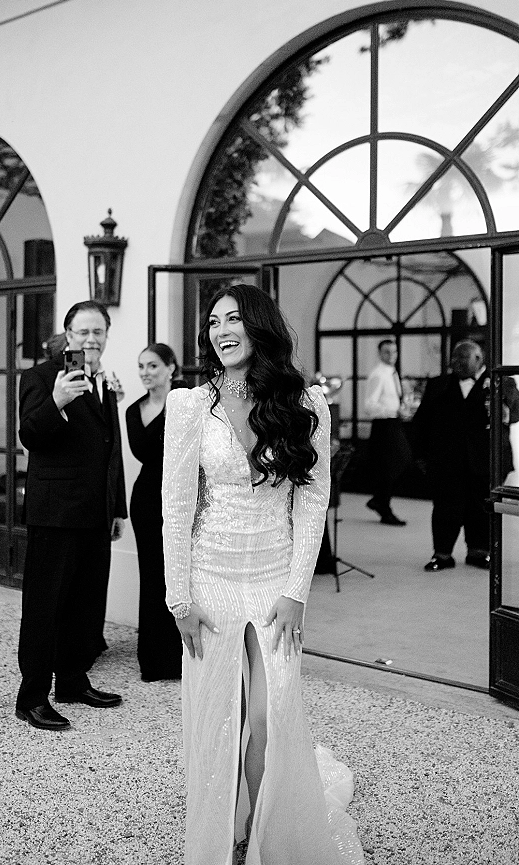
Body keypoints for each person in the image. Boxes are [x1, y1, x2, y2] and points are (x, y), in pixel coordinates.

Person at [162, 283, 364, 865]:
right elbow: (175, 506)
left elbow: (312, 497)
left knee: (269, 714)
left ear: (259, 327)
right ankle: (222, 832)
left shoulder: (305, 405)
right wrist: (180, 599)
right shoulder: (188, 407)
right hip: (211, 576)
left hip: (275, 575)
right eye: (213, 322)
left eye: (233, 320)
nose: (221, 331)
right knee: (216, 717)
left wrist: (297, 591)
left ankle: (271, 833)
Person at [15, 299, 127, 731]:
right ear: (67, 335)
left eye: (98, 332)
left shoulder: (101, 382)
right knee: (45, 609)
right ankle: (32, 698)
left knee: (84, 606)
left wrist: (116, 508)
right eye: (83, 332)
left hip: (94, 514)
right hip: (54, 513)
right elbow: (30, 434)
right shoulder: (42, 376)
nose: (91, 339)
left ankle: (74, 682)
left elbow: (109, 449)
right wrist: (57, 401)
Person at [413, 339, 519, 572]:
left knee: (481, 508)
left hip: (487, 460)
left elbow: (515, 415)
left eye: (462, 357)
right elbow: (421, 422)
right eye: (454, 357)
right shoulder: (438, 384)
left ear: (479, 359)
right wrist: (420, 456)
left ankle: (479, 552)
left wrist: (503, 403)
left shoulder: (503, 382)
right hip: (447, 461)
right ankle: (442, 555)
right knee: (444, 509)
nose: (455, 362)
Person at [126, 343, 185, 682]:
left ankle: (183, 657)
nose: (146, 373)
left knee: (179, 575)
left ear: (170, 368)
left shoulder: (187, 402)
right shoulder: (133, 410)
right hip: (147, 498)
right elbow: (142, 452)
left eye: (152, 366)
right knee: (151, 577)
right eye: (141, 367)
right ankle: (153, 660)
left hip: (180, 495)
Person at [364, 338, 411, 525]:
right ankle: (382, 505)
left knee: (399, 463)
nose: (391, 356)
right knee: (392, 466)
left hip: (393, 423)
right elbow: (369, 406)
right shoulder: (378, 374)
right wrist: (394, 411)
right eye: (387, 352)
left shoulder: (392, 372)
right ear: (380, 353)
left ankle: (380, 501)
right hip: (384, 425)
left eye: (394, 352)